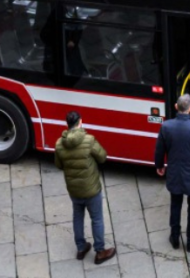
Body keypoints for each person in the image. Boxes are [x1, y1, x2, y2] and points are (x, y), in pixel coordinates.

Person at [54, 111, 116, 265]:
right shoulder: (89, 140)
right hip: (91, 188)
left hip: (74, 189)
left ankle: (81, 248)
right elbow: (102, 157)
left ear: (67, 124)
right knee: (97, 219)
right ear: (80, 122)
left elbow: (58, 165)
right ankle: (100, 251)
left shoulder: (59, 144)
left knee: (77, 216)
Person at [155, 94, 190, 252]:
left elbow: (159, 150)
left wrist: (159, 165)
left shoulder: (166, 126)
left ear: (175, 107)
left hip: (175, 173)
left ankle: (175, 237)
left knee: (175, 204)